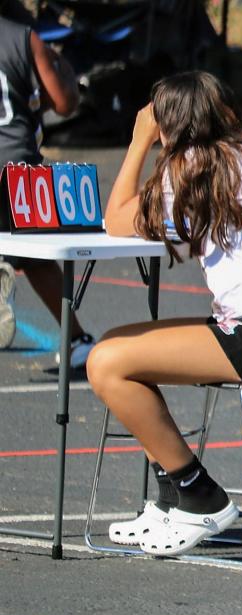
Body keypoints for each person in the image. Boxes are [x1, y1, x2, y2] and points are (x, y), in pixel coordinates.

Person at [88, 71, 242, 556]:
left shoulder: (196, 164)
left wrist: (138, 141)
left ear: (169, 124)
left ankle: (198, 494)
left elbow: (115, 219)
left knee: (104, 361)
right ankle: (171, 498)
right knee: (119, 342)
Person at [0, 13, 94, 365]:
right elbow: (66, 103)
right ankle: (76, 340)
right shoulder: (25, 39)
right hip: (17, 162)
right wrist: (61, 64)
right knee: (37, 258)